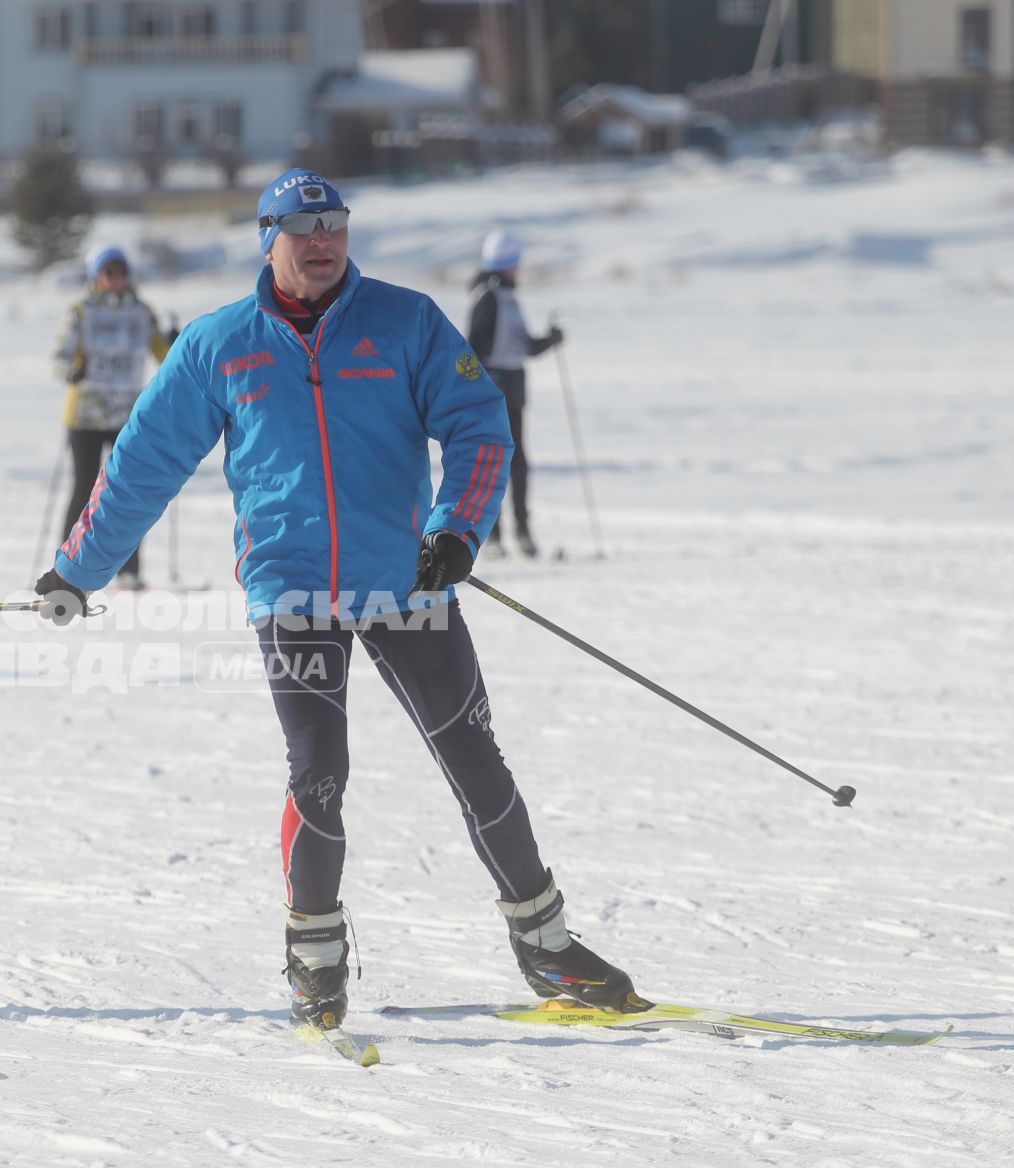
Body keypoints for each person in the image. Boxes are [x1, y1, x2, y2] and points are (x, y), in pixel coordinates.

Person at [32, 169, 638, 1030]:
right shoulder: (219, 344)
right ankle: (314, 957)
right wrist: (78, 572)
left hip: (405, 583)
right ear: (266, 239)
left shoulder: (406, 321)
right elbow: (140, 463)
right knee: (318, 774)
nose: (322, 245)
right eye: (302, 231)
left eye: (335, 228)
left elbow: (478, 423)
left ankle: (547, 946)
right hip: (293, 593)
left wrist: (457, 528)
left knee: (473, 755)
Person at [51, 245, 174, 589]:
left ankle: (129, 570)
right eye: (109, 273)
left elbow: (163, 354)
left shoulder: (141, 311)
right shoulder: (81, 312)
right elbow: (59, 356)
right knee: (84, 488)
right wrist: (72, 369)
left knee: (126, 491)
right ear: (96, 276)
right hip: (86, 414)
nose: (116, 280)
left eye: (121, 273)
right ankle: (65, 566)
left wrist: (176, 345)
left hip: (127, 414)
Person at [466, 231, 561, 559]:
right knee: (497, 462)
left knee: (518, 462)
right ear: (505, 264)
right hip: (494, 390)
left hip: (514, 388)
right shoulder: (489, 298)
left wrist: (549, 341)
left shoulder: (508, 298)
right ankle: (493, 535)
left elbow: (522, 345)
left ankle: (522, 530)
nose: (518, 269)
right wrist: (480, 386)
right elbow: (473, 348)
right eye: (515, 263)